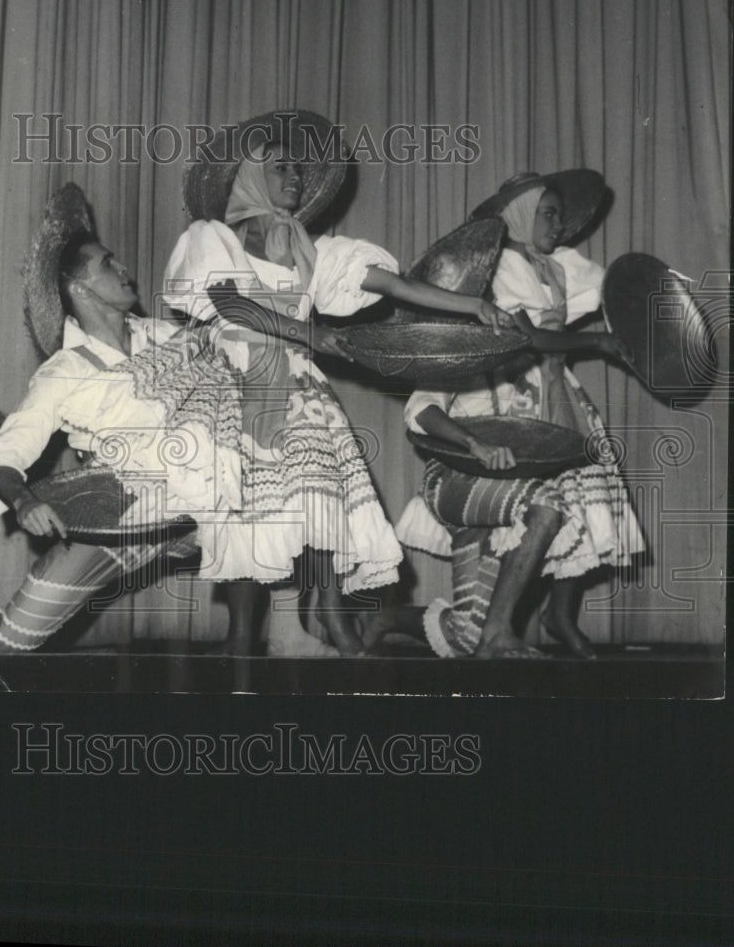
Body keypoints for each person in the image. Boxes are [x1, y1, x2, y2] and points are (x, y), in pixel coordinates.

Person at [163, 109, 515, 656]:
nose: (296, 178)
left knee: (316, 497)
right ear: (248, 177)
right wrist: (310, 333)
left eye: (298, 170)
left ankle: (308, 620)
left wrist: (473, 304)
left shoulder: (311, 249)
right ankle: (239, 643)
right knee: (248, 507)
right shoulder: (213, 239)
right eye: (282, 168)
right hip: (238, 381)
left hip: (297, 384)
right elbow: (229, 304)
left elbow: (396, 285)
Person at [0, 184, 266, 656]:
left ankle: (244, 644)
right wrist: (23, 502)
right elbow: (5, 455)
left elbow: (241, 353)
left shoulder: (168, 338)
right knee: (6, 648)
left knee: (269, 505)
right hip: (114, 515)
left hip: (190, 510)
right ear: (79, 287)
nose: (124, 269)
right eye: (108, 263)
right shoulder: (65, 370)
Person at [395, 169, 645, 658]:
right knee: (471, 627)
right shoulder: (460, 343)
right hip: (463, 478)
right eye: (546, 214)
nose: (558, 223)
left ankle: (545, 616)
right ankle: (476, 628)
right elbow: (420, 410)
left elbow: (608, 288)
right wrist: (473, 443)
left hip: (536, 430)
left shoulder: (556, 270)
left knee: (585, 491)